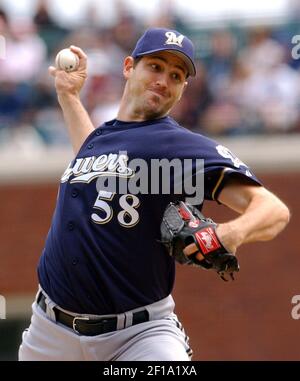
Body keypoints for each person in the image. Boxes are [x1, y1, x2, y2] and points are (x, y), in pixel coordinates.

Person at [18, 27, 290, 361]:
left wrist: (229, 233)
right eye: (155, 67)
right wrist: (69, 98)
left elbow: (273, 210)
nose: (164, 79)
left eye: (176, 75)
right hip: (50, 332)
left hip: (136, 337)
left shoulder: (181, 146)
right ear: (129, 67)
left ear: (182, 89)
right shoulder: (103, 136)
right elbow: (96, 163)